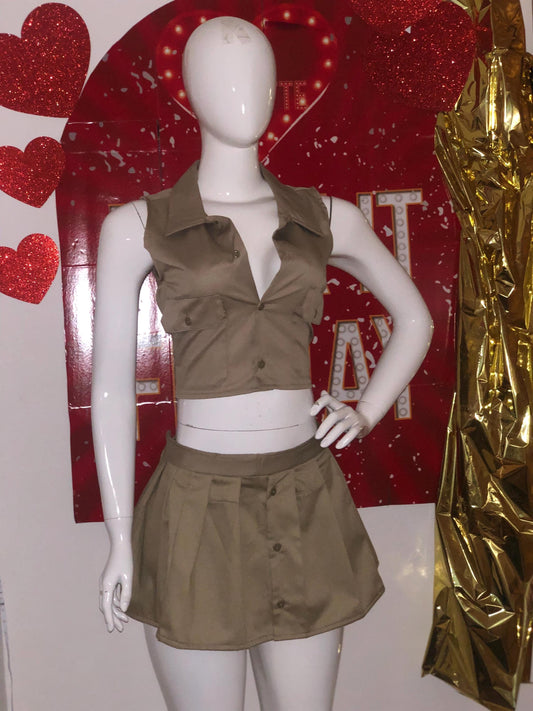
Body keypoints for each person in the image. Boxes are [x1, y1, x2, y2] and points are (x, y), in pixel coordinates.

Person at [91, 16, 433, 711]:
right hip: (197, 507)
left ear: (278, 88)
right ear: (189, 91)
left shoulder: (326, 217)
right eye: (221, 73)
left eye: (257, 74)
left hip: (303, 495)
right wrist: (120, 537)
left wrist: (365, 411)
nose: (241, 89)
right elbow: (111, 393)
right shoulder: (138, 225)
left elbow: (417, 319)